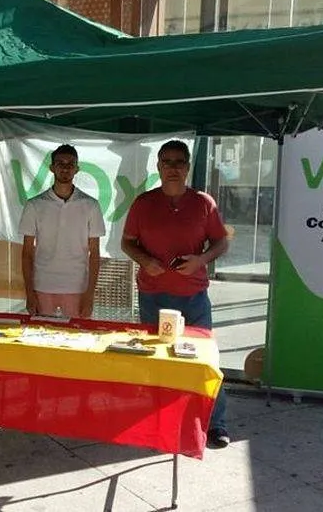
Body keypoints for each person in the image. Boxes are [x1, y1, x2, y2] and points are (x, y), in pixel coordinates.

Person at [121, 139, 231, 448]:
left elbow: (222, 242)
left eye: (179, 162)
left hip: (194, 298)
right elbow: (127, 242)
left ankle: (214, 423)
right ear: (158, 166)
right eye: (166, 162)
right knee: (156, 362)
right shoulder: (143, 204)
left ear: (187, 167)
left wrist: (201, 260)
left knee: (206, 362)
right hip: (153, 296)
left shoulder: (203, 203)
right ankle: (157, 421)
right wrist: (146, 261)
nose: (173, 168)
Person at [20, 144, 105, 318]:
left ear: (77, 169)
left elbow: (95, 253)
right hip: (43, 285)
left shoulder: (91, 205)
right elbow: (27, 252)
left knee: (77, 340)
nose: (65, 168)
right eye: (60, 163)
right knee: (41, 338)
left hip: (77, 287)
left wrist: (89, 295)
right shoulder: (35, 205)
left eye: (70, 164)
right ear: (52, 168)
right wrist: (29, 293)